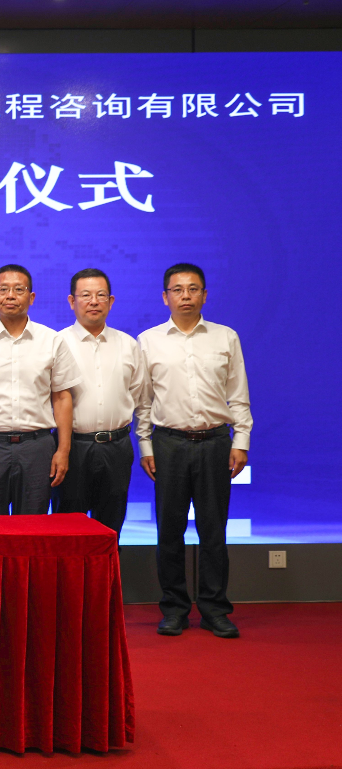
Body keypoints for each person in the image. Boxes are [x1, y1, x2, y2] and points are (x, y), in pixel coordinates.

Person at [139, 263, 251, 639]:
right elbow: (143, 401)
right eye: (177, 289)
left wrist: (241, 441)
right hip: (168, 443)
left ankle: (215, 609)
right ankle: (174, 609)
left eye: (193, 289)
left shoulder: (225, 337)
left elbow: (238, 395)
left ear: (204, 294)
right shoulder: (148, 341)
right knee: (169, 531)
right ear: (165, 297)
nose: (185, 296)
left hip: (215, 443)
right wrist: (145, 444)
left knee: (213, 531)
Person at [0, 265, 80, 515]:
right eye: (4, 289)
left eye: (19, 290)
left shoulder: (52, 340)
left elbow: (62, 398)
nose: (10, 295)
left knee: (32, 528)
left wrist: (63, 450)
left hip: (37, 448)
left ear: (31, 297)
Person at [53, 269, 150, 535]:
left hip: (116, 447)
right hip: (71, 447)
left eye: (101, 295)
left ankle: (109, 566)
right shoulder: (57, 343)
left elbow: (138, 397)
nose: (94, 301)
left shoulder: (128, 345)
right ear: (72, 301)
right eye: (85, 295)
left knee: (111, 527)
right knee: (68, 530)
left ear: (111, 301)